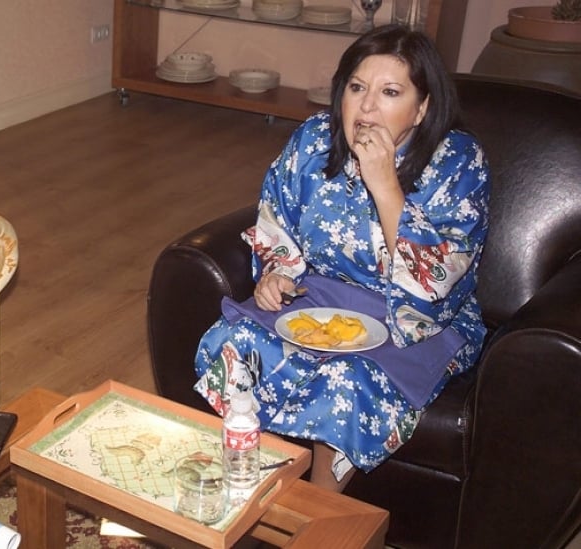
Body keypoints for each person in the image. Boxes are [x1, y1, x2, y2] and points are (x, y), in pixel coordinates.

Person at [193, 25, 490, 491]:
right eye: (357, 88)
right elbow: (278, 218)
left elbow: (437, 282)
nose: (367, 107)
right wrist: (277, 274)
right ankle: (242, 488)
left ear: (422, 108)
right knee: (235, 340)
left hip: (421, 319)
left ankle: (316, 515)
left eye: (390, 92)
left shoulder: (458, 161)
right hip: (321, 300)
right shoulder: (315, 139)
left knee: (344, 381)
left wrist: (385, 183)